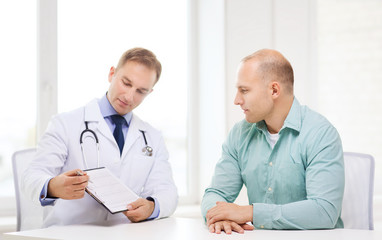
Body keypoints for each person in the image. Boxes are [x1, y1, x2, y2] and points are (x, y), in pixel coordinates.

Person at [22, 47, 178, 227]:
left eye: (140, 91)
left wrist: (151, 207)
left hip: (124, 234)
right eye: (126, 83)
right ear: (112, 74)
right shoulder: (65, 123)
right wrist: (52, 186)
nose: (129, 96)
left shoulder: (152, 137)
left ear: (149, 92)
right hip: (69, 234)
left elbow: (167, 192)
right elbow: (31, 176)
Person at [201, 49, 344, 234]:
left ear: (274, 90)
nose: (236, 100)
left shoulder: (320, 134)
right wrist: (219, 217)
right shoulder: (239, 134)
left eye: (244, 90)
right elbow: (215, 194)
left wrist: (250, 212)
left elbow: (324, 211)